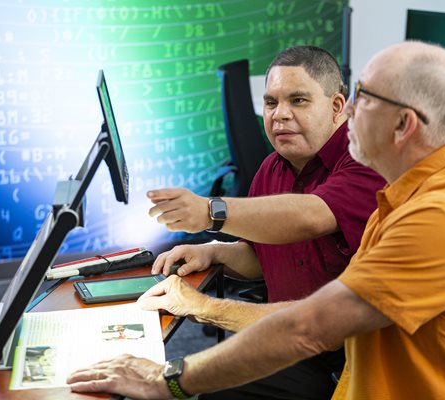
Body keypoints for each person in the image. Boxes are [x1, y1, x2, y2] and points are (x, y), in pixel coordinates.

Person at [68, 41, 445, 399]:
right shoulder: (409, 195)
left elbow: (310, 326)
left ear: (403, 126)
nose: (350, 111)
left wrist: (170, 375)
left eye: (363, 99)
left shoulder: (441, 216)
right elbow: (311, 296)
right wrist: (213, 252)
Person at [147, 45, 385, 399]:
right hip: (289, 335)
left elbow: (311, 216)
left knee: (210, 387)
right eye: (271, 103)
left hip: (351, 352)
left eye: (298, 101)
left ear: (337, 107)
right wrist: (215, 253)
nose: (279, 115)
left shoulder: (365, 161)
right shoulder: (271, 168)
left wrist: (212, 213)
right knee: (209, 379)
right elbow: (265, 258)